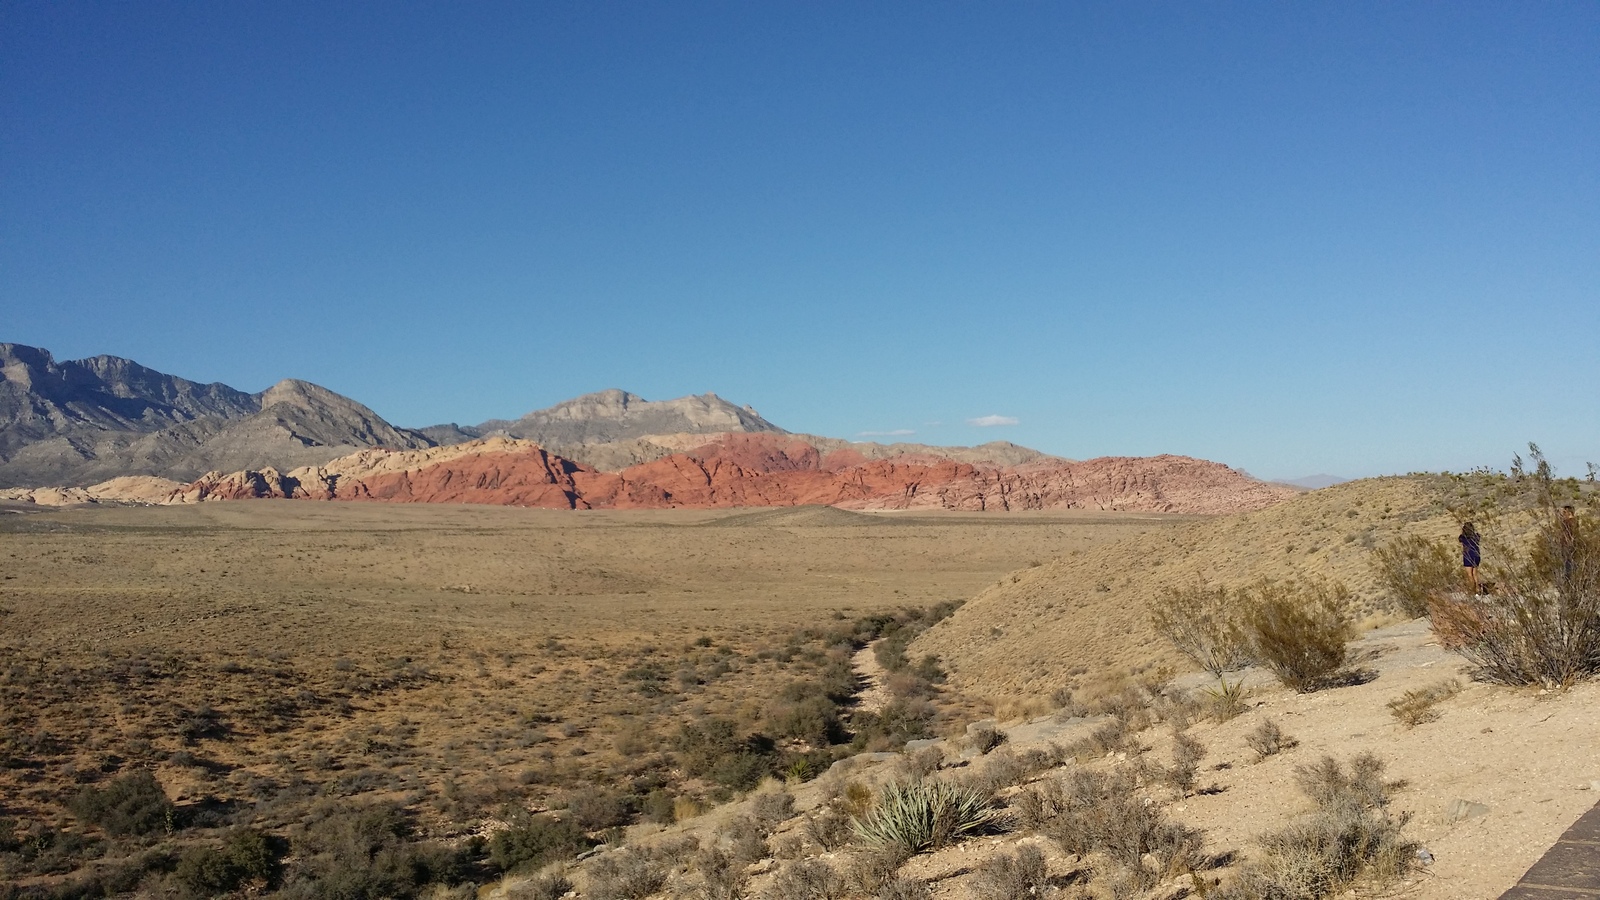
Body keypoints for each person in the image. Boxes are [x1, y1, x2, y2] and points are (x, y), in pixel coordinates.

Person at [1459, 522, 1482, 595]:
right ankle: (1478, 590)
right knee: (1475, 573)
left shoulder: (1463, 537)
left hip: (1468, 555)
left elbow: (1460, 539)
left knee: (1469, 574)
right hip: (1476, 555)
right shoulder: (1476, 536)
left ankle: (1472, 590)